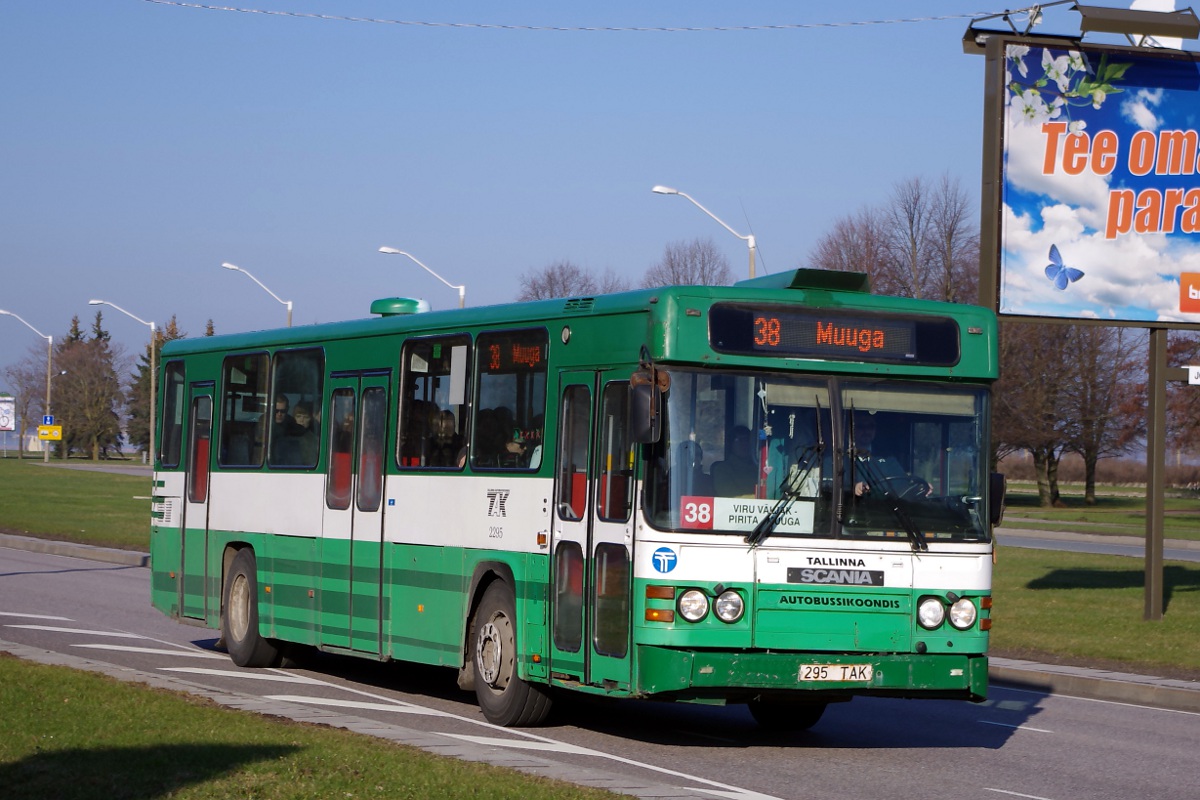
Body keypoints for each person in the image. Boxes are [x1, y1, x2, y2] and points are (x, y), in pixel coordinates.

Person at [849, 412, 929, 499]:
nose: (866, 431)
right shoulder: (839, 457)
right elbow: (833, 484)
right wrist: (852, 487)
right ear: (851, 430)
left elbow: (902, 485)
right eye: (861, 427)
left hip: (884, 510)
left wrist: (920, 487)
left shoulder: (887, 458)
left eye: (871, 426)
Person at [710, 425, 759, 497]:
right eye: (740, 440)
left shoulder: (759, 469)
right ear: (731, 444)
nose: (745, 444)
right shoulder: (722, 469)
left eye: (747, 440)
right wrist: (759, 498)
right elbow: (730, 496)